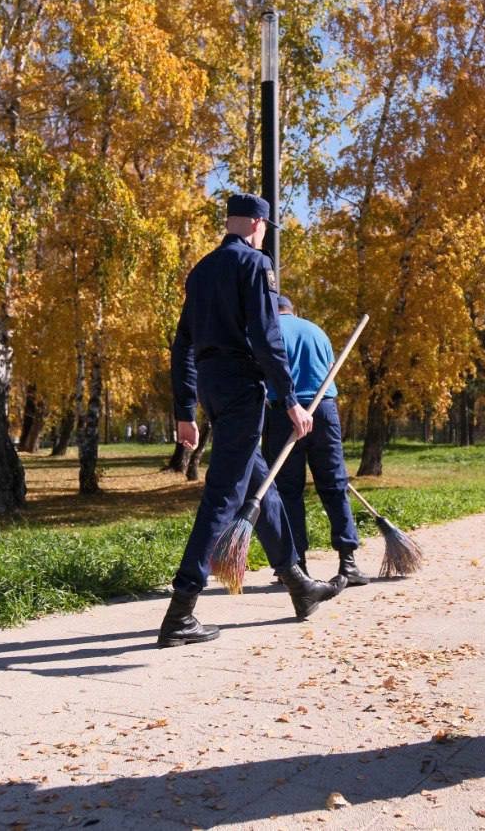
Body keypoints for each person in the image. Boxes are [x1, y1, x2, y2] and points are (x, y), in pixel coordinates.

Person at [162, 193, 343, 647]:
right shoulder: (254, 265)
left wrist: (185, 408)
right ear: (259, 224)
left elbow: (182, 343)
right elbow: (266, 336)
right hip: (243, 387)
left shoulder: (202, 269)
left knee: (263, 483)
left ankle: (298, 583)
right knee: (223, 496)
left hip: (210, 384)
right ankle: (181, 609)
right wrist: (290, 400)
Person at [262, 295, 367, 586]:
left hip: (287, 412)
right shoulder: (317, 331)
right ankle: (348, 563)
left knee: (288, 492)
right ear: (293, 311)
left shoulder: (270, 331)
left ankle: (298, 568)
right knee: (335, 485)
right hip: (325, 410)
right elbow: (330, 365)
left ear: (273, 312)